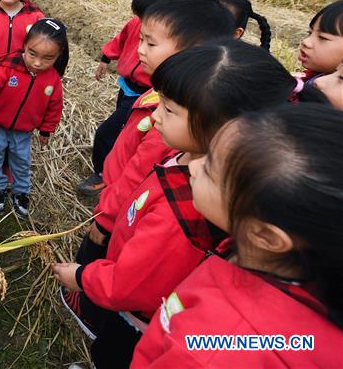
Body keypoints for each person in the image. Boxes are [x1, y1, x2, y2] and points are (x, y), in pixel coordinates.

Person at [54, 40, 323, 369]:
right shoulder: (202, 171)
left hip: (138, 320)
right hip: (150, 311)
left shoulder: (184, 218)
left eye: (168, 109)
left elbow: (131, 284)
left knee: (113, 355)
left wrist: (83, 277)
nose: (196, 168)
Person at [132, 104, 343, 367]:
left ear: (267, 236)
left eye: (209, 169)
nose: (194, 167)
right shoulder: (307, 270)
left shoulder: (216, 347)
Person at [78, 0, 236, 266]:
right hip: (116, 199)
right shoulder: (160, 93)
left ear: (194, 52)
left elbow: (137, 173)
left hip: (123, 214)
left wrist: (105, 220)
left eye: (150, 43)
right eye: (141, 39)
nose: (140, 49)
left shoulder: (171, 123)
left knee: (96, 264)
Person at [79, 0, 185, 196]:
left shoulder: (174, 41)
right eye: (140, 16)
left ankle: (103, 175)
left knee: (106, 134)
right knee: (120, 133)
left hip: (144, 96)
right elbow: (121, 39)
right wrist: (106, 58)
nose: (142, 48)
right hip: (127, 87)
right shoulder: (136, 24)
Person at [0, 18, 68, 219]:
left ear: (58, 56)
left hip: (23, 131)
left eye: (48, 58)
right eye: (32, 54)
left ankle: (21, 191)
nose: (38, 63)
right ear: (24, 45)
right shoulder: (6, 68)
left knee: (22, 161)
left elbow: (54, 106)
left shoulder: (52, 80)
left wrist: (46, 130)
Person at [299, 0, 343, 84]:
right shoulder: (311, 77)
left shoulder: (335, 95)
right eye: (309, 33)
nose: (305, 42)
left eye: (322, 38)